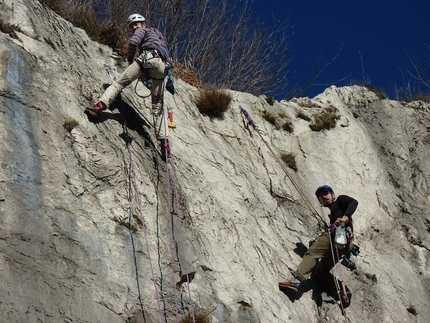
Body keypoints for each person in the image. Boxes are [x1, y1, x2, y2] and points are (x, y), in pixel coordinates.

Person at [85, 13, 174, 160]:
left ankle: (99, 106)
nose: (134, 27)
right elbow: (169, 59)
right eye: (132, 26)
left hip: (147, 58)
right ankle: (164, 144)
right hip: (163, 68)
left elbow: (133, 42)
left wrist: (131, 60)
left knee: (120, 83)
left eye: (136, 24)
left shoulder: (143, 30)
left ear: (144, 24)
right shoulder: (159, 37)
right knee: (158, 106)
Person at [279, 185, 358, 293]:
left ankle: (297, 282)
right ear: (320, 202)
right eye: (320, 197)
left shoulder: (340, 200)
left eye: (325, 193)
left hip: (339, 235)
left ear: (333, 195)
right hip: (344, 244)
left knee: (312, 253)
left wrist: (346, 216)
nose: (323, 197)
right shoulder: (333, 215)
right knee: (319, 273)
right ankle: (343, 291)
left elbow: (353, 202)